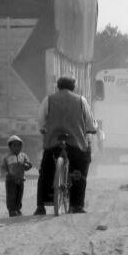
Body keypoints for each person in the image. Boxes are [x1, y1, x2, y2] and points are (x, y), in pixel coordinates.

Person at [34, 76, 97, 215]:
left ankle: (40, 206)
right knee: (80, 171)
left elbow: (40, 120)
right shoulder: (81, 100)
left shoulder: (48, 99)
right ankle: (77, 205)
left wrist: (43, 129)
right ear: (73, 87)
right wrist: (93, 128)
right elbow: (90, 122)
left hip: (53, 142)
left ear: (58, 86)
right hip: (75, 142)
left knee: (44, 171)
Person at [1, 135, 33, 217]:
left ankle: (18, 209)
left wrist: (27, 165)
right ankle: (12, 210)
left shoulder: (23, 156)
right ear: (10, 147)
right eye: (14, 145)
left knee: (19, 195)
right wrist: (7, 174)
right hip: (11, 180)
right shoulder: (7, 157)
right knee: (11, 195)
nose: (17, 147)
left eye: (19, 145)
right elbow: (3, 167)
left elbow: (29, 164)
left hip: (21, 179)